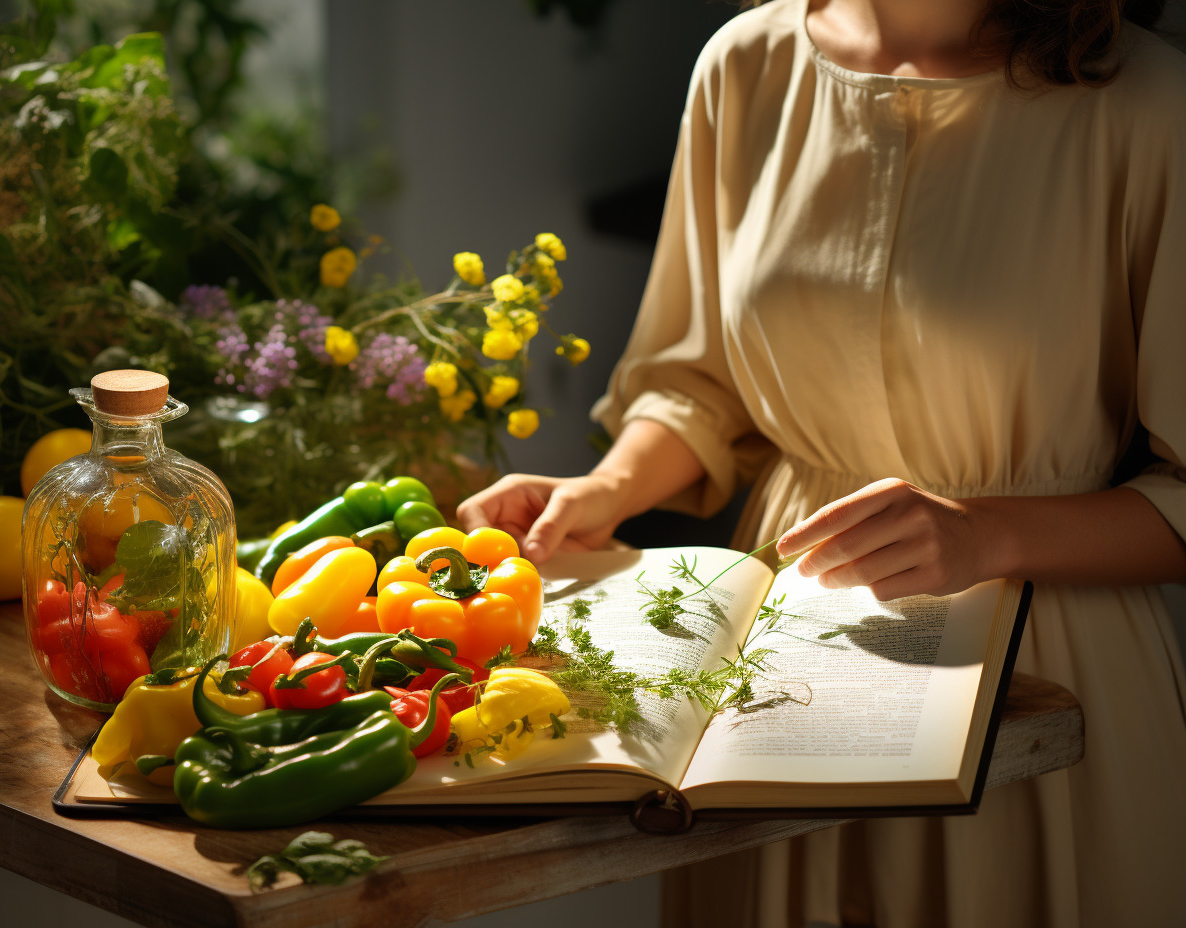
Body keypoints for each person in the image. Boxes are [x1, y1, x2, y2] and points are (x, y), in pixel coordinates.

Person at [458, 0, 1186, 924]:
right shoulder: (745, 64)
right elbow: (704, 388)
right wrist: (609, 487)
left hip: (1045, 666)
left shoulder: (1147, 102)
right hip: (773, 672)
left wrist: (984, 534)